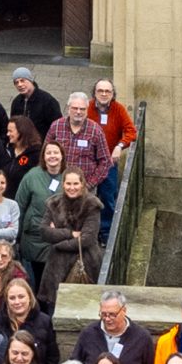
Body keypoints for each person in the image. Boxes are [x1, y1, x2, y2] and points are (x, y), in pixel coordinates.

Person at [74, 290, 157, 364]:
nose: (107, 319)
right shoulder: (88, 334)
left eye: (112, 314)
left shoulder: (142, 338)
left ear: (124, 311)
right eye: (103, 314)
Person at [41, 167, 104, 295]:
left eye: (76, 183)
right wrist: (70, 234)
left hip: (84, 263)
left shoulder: (91, 205)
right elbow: (44, 231)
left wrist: (57, 242)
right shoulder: (54, 203)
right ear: (63, 184)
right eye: (68, 183)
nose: (72, 187)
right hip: (56, 266)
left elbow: (87, 239)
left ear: (82, 184)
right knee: (54, 306)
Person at [89, 78, 136, 238]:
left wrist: (120, 146)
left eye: (107, 91)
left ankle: (105, 232)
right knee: (86, 196)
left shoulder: (118, 109)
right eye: (100, 91)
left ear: (112, 94)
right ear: (94, 93)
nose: (103, 94)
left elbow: (131, 131)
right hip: (89, 159)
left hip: (109, 160)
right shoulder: (87, 108)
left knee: (108, 196)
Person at [9, 67, 61, 138]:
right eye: (16, 82)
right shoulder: (16, 102)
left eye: (22, 80)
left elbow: (57, 126)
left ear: (31, 81)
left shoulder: (47, 101)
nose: (19, 85)